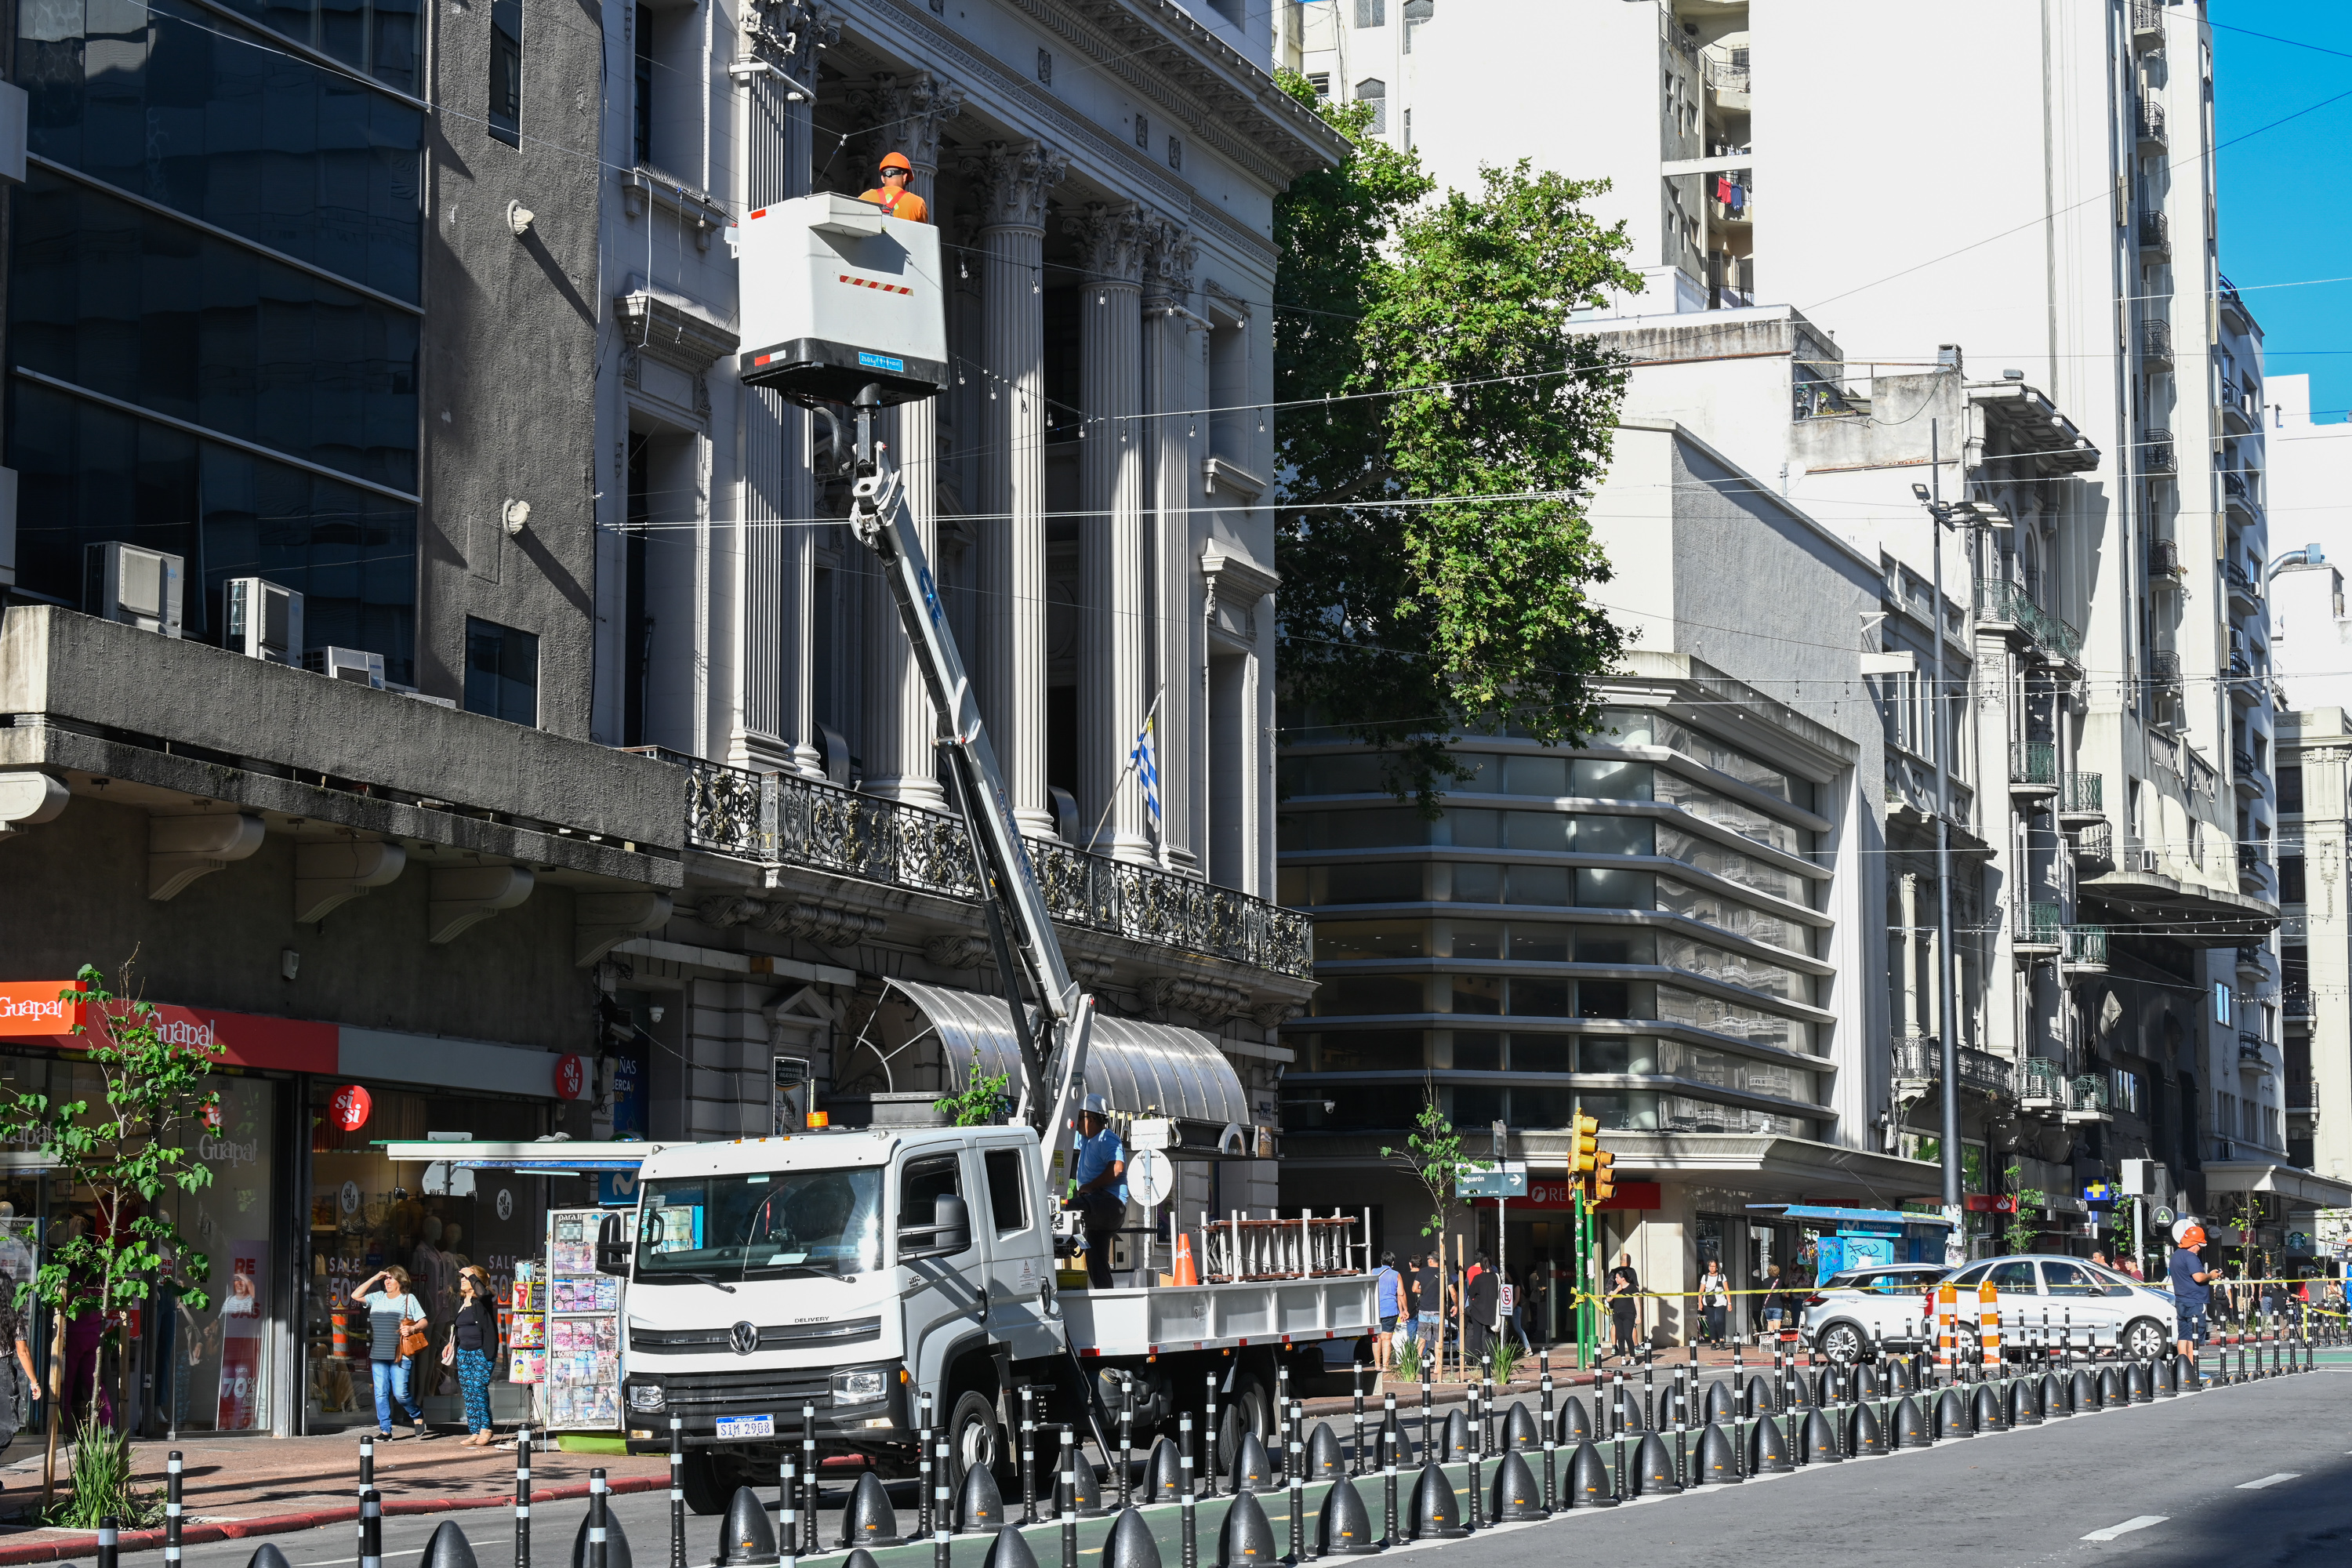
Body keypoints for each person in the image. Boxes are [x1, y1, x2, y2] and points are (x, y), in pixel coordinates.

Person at [353, 1265, 433, 1439]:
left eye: (391, 1278)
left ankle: (417, 1415)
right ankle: (386, 1430)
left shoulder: (408, 1299)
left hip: (400, 1354)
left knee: (401, 1394)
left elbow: (424, 1321)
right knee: (380, 1393)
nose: (387, 1281)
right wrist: (375, 1278)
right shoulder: (378, 1297)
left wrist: (412, 1330)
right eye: (386, 1278)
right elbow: (355, 1295)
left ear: (400, 1280)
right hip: (378, 1354)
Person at [1072, 1095, 1128, 1289]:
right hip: (1098, 1209)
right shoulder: (1086, 1139)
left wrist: (1091, 1186)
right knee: (1095, 1261)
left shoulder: (1107, 1139)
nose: (1078, 1122)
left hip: (1111, 1205)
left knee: (1068, 1208)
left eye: (1080, 1117)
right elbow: (1065, 1133)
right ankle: (1107, 1299)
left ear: (1092, 1120)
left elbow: (1117, 1167)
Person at [446, 1266, 500, 1446]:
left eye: (466, 1277)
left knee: (478, 1387)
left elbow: (483, 1293)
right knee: (468, 1391)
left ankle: (486, 1428)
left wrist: (472, 1275)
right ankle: (475, 1430)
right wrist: (451, 1344)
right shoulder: (463, 1302)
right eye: (461, 1277)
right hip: (464, 1352)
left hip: (481, 1351)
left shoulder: (483, 1300)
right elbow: (459, 1327)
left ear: (476, 1281)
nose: (462, 1280)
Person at [2169, 1221, 2215, 1362]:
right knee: (2194, 1335)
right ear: (2195, 1244)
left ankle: (2183, 1367)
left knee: (2183, 1335)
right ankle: (2192, 1368)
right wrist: (2211, 1275)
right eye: (2200, 1245)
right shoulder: (2191, 1257)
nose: (2199, 1249)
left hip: (2181, 1300)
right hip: (2194, 1301)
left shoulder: (2176, 1256)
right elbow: (2199, 1277)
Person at [859, 151, 931, 223]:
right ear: (905, 177)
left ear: (883, 179)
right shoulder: (917, 204)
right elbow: (924, 233)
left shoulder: (864, 198)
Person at [1372, 1251, 1403, 1377]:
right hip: (1390, 1309)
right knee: (1387, 1338)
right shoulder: (1396, 1275)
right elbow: (1401, 1293)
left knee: (1376, 1337)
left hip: (1374, 1310)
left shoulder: (1373, 1271)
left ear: (1381, 1262)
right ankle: (1385, 1366)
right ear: (1393, 1263)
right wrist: (1403, 1310)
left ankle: (1377, 1365)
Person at [1607, 1252, 1641, 1363]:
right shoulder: (1616, 1288)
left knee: (1628, 1336)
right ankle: (1622, 1358)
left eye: (1617, 1278)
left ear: (1623, 1278)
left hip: (1629, 1313)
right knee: (1620, 1337)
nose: (1615, 1279)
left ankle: (1632, 1357)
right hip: (1617, 1313)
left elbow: (1637, 1302)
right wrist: (1616, 1290)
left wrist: (1639, 1316)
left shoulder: (1632, 1288)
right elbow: (1608, 1299)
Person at [1465, 1251, 1498, 1364]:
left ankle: (1478, 1361)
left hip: (1478, 1310)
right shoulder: (1496, 1277)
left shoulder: (1478, 1278)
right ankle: (1492, 1360)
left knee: (1477, 1335)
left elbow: (1471, 1293)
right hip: (1491, 1310)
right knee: (1491, 1335)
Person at [1699, 1259, 1731, 1348]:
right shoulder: (1705, 1277)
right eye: (1710, 1266)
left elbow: (1727, 1290)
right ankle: (1713, 1342)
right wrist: (1700, 1303)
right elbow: (1701, 1291)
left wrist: (1729, 1303)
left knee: (1719, 1320)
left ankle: (1721, 1340)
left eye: (1713, 1266)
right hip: (1708, 1302)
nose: (1712, 1268)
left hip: (1721, 1302)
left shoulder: (1722, 1276)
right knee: (1711, 1322)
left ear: (1717, 1267)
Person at [1758, 1262, 1789, 1345]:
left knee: (1770, 1324)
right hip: (1778, 1305)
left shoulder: (1765, 1281)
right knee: (1777, 1325)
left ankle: (1771, 1342)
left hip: (1767, 1305)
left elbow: (1761, 1293)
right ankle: (1777, 1342)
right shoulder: (1780, 1281)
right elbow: (1787, 1294)